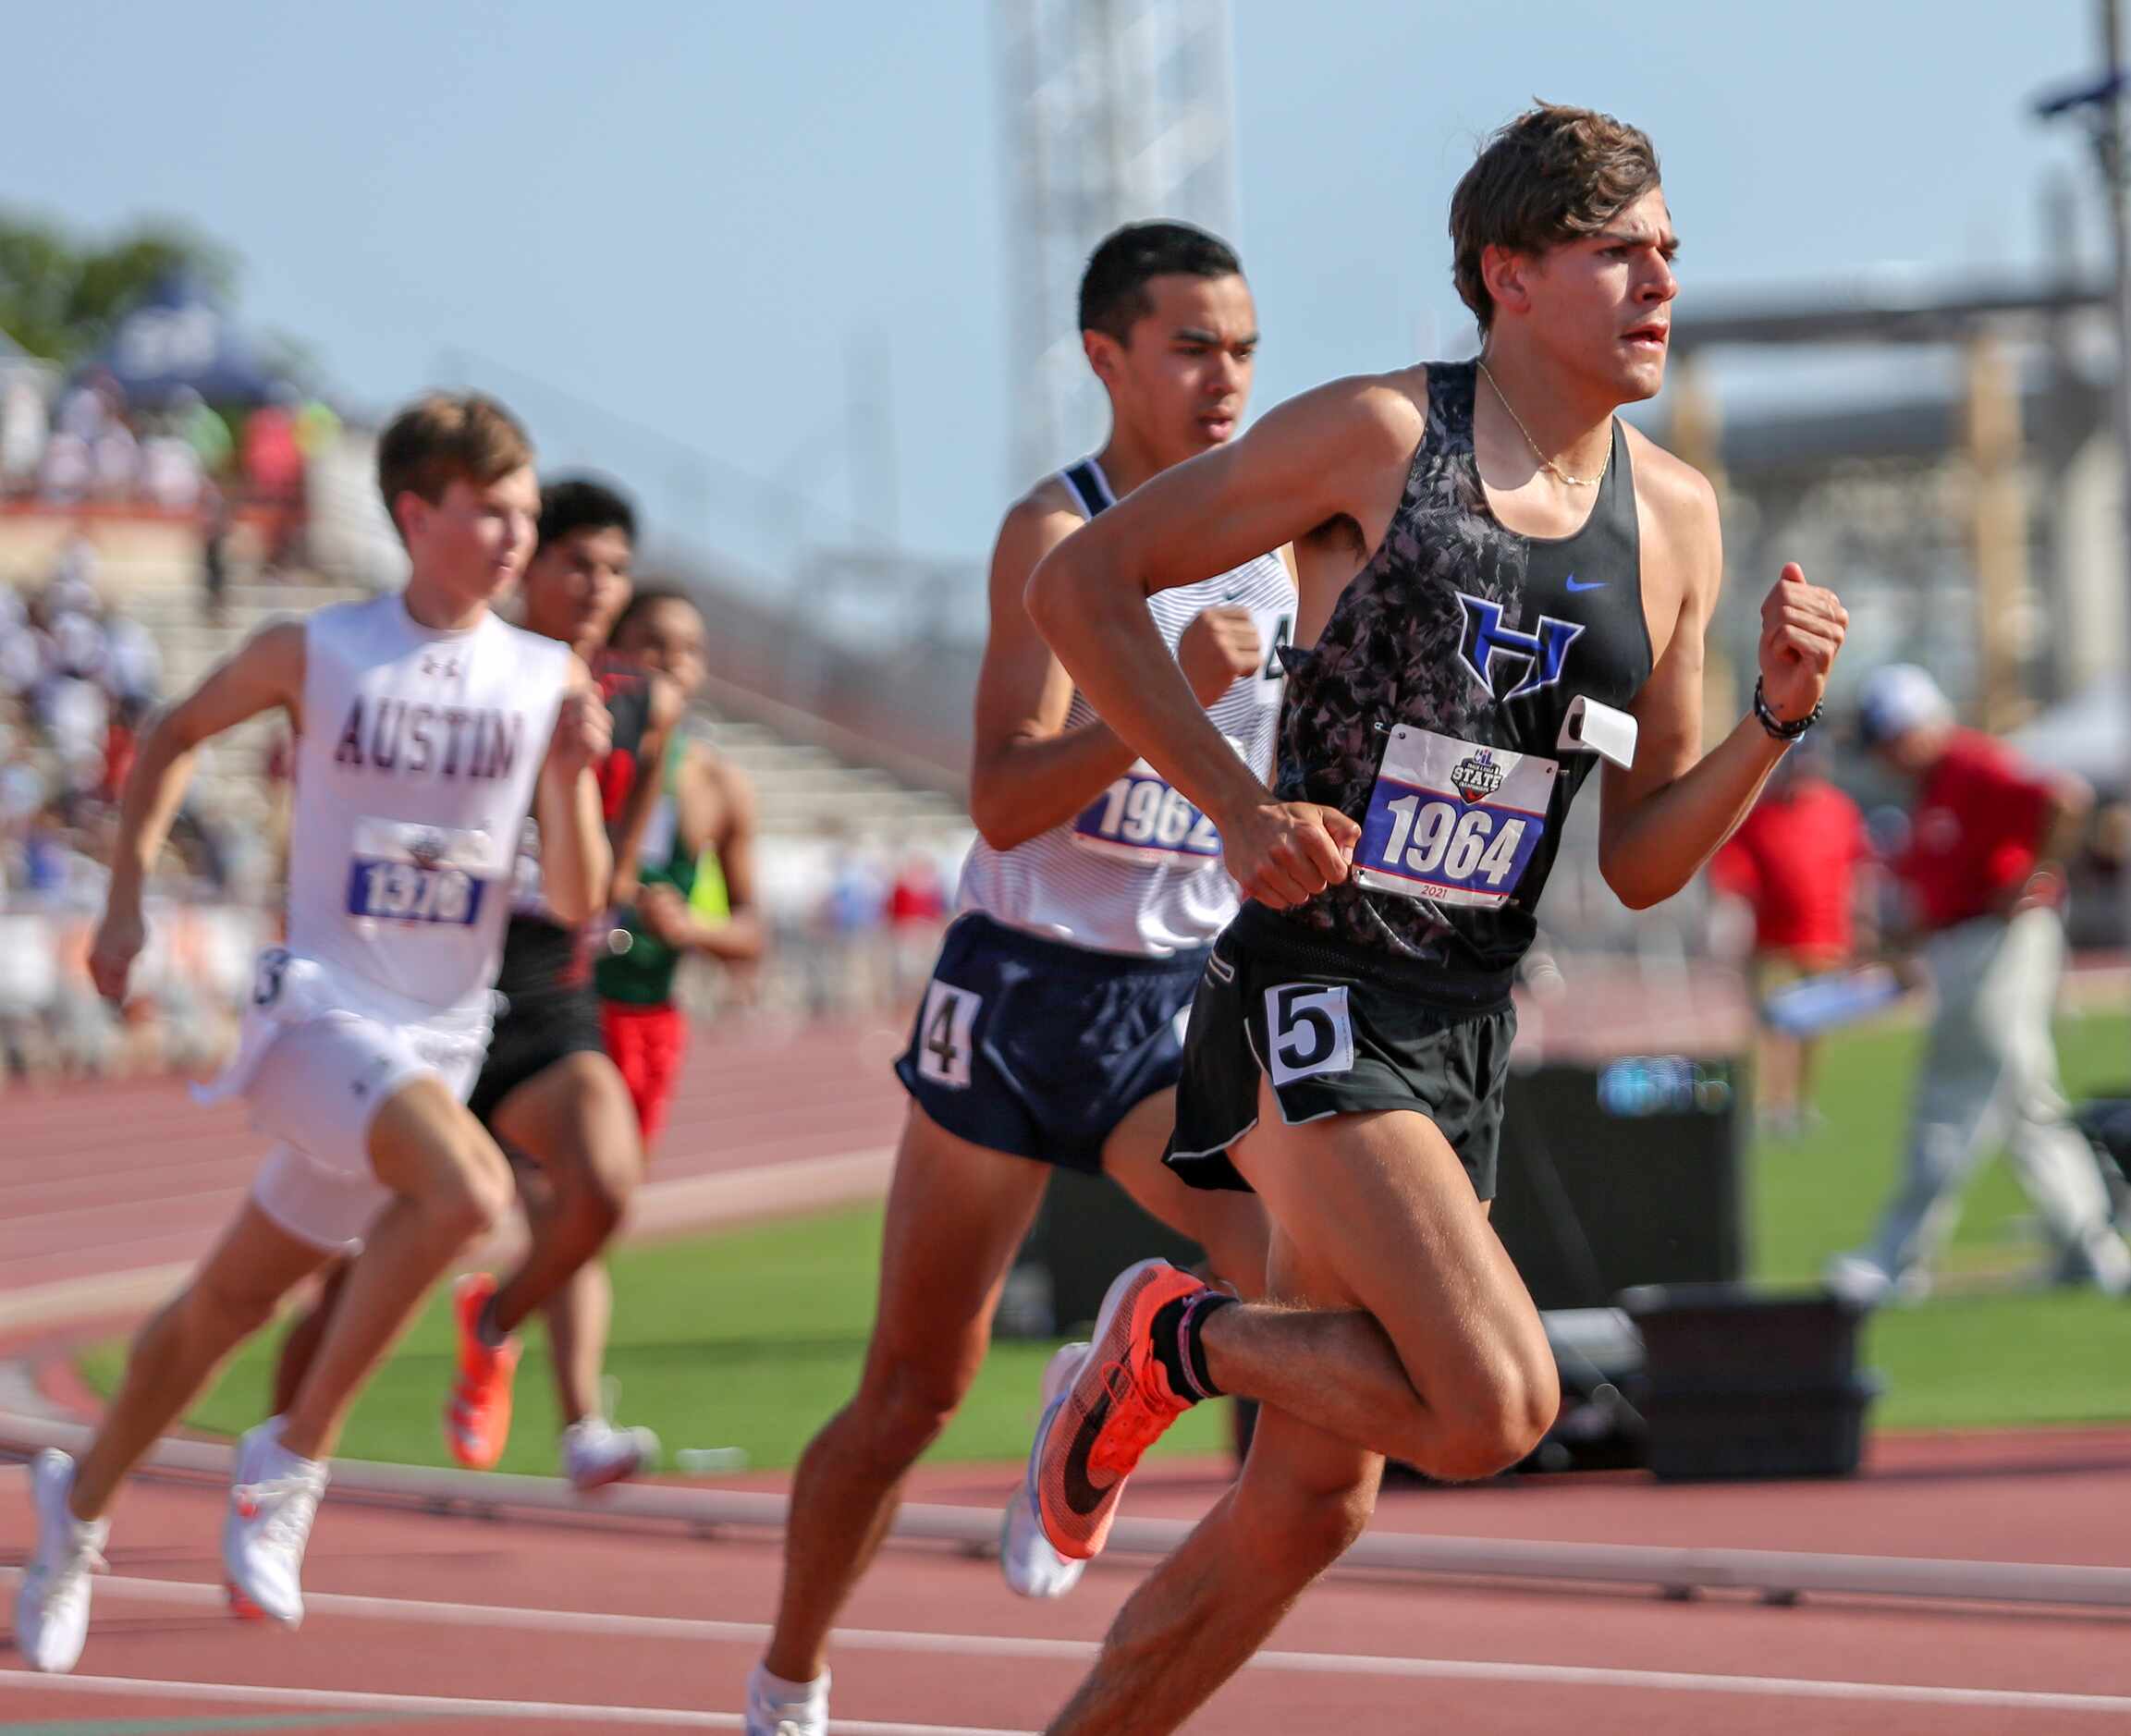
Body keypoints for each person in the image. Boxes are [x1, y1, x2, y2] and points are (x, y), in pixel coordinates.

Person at [1015, 105, 1849, 1734]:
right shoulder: (1381, 440)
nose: (1662, 276)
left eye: (1671, 246)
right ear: (1510, 274)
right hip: (1314, 983)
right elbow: (1084, 586)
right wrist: (1233, 805)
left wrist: (1774, 718)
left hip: (1463, 1019)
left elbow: (1647, 856)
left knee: (1313, 1509)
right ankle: (1179, 1337)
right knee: (1492, 1404)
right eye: (1620, 248)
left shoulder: (1674, 519)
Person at [744, 220, 1285, 1736]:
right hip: (1025, 986)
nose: (1225, 375)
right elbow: (998, 793)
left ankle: (1122, 1382)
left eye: (1242, 344)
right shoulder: (1058, 534)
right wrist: (1170, 699)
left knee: (1287, 1272)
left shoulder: (1291, 537)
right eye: (1191, 345)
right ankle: (788, 1675)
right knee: (911, 1389)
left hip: (1173, 998)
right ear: (1107, 358)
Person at [12, 393, 608, 1674]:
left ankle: (78, 1507)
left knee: (221, 1305)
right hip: (318, 1013)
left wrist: (570, 771)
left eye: (526, 511)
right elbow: (172, 732)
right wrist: (123, 902)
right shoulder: (319, 647)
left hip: (441, 1030)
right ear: (416, 513)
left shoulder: (542, 674)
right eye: (491, 510)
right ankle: (293, 1457)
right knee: (469, 1192)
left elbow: (576, 891)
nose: (518, 534)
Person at [271, 478, 677, 1493]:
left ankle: (497, 1326)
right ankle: (277, 1460)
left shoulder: (639, 707)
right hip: (428, 972)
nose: (594, 587)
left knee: (603, 1187)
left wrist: (599, 878)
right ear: (525, 567)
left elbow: (613, 873)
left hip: (546, 980)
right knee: (345, 1272)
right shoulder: (456, 675)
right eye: (575, 563)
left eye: (614, 570)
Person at [1826, 664, 2130, 1304]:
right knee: (2027, 1105)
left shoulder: (1971, 764)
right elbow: (1938, 887)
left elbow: (2064, 798)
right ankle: (2092, 1249)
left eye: (1887, 739)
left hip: (1999, 942)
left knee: (1949, 1096)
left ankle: (1896, 1256)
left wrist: (2032, 876)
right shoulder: (1935, 787)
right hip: (1969, 944)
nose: (1883, 758)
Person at [595, 585, 765, 1151]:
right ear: (613, 648)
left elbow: (753, 936)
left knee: (602, 1209)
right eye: (653, 644)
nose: (673, 662)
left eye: (690, 649)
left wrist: (689, 927)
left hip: (648, 1018)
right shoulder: (578, 751)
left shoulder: (717, 784)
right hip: (563, 1003)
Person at [1708, 737, 1874, 1134]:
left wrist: (1864, 923)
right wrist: (1732, 918)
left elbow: (1858, 870)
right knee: (1772, 1027)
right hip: (1773, 943)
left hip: (1826, 941)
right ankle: (1769, 1105)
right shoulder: (1760, 814)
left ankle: (1800, 1102)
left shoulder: (1840, 811)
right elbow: (1733, 873)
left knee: (1814, 1029)